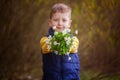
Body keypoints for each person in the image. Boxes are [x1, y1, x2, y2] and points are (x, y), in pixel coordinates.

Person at [40, 3, 80, 80]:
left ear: (69, 23)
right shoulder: (45, 39)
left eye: (64, 20)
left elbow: (73, 48)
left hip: (71, 78)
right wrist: (56, 42)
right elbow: (45, 47)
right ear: (50, 23)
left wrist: (64, 41)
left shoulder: (74, 39)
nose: (60, 23)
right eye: (55, 20)